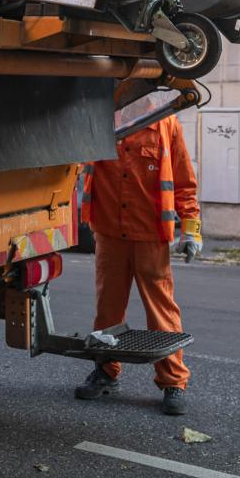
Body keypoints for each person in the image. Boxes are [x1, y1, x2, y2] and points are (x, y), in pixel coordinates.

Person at [75, 109, 201, 415]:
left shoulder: (165, 122)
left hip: (150, 234)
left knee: (161, 310)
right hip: (108, 231)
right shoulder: (101, 117)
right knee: (108, 309)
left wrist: (192, 229)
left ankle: (173, 382)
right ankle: (106, 371)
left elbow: (184, 181)